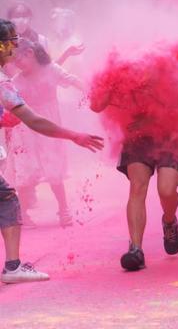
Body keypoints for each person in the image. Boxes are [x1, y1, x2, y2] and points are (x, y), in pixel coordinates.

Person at [0, 19, 103, 284]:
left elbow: (68, 80)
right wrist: (74, 135)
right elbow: (32, 120)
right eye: (11, 42)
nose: (14, 48)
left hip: (40, 125)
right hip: (35, 127)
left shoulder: (26, 76)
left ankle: (13, 265)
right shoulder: (8, 82)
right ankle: (13, 267)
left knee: (12, 194)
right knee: (10, 195)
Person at [90, 71, 178, 272]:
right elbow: (96, 105)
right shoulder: (122, 70)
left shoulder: (170, 67)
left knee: (166, 190)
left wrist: (151, 121)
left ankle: (169, 221)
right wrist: (109, 87)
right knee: (137, 187)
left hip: (171, 134)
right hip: (138, 137)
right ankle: (136, 249)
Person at [3, 39, 84, 227]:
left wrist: (92, 91)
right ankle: (22, 212)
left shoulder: (51, 69)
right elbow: (9, 106)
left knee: (53, 165)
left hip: (49, 123)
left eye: (18, 60)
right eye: (14, 62)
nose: (17, 65)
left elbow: (72, 80)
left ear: (30, 53)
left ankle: (63, 209)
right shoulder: (16, 81)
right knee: (26, 169)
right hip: (24, 129)